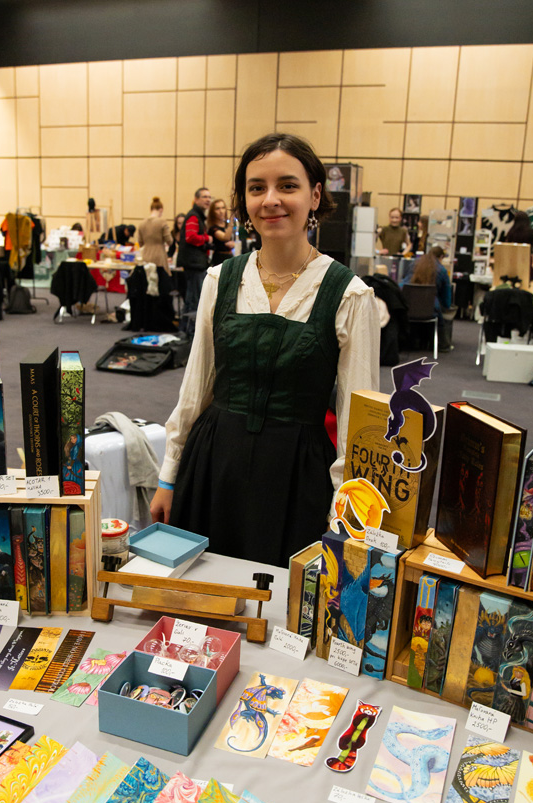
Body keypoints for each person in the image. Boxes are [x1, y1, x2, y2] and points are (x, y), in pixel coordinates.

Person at [150, 132, 379, 567]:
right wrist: (168, 477)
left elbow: (358, 425)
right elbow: (195, 389)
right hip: (213, 466)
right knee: (202, 591)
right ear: (244, 201)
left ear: (315, 196)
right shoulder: (220, 280)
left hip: (294, 478)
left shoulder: (350, 295)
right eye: (257, 188)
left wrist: (344, 514)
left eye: (287, 185)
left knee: (281, 599)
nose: (271, 200)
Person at [177, 186, 212, 336]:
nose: (208, 200)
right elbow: (190, 237)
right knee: (194, 300)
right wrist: (207, 238)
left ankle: (186, 330)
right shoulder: (193, 216)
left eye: (209, 197)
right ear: (196, 199)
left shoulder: (197, 216)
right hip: (194, 264)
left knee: (192, 298)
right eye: (204, 197)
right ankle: (188, 332)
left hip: (194, 263)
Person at [135, 196, 172, 275]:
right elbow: (169, 241)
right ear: (161, 210)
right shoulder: (162, 222)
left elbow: (140, 243)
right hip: (159, 257)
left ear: (151, 209)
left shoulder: (142, 224)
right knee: (160, 279)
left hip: (146, 256)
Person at [207, 199, 235, 266]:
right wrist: (231, 222)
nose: (221, 211)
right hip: (219, 259)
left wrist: (234, 244)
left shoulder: (226, 225)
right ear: (213, 212)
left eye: (223, 208)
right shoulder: (213, 228)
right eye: (217, 209)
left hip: (230, 257)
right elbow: (226, 237)